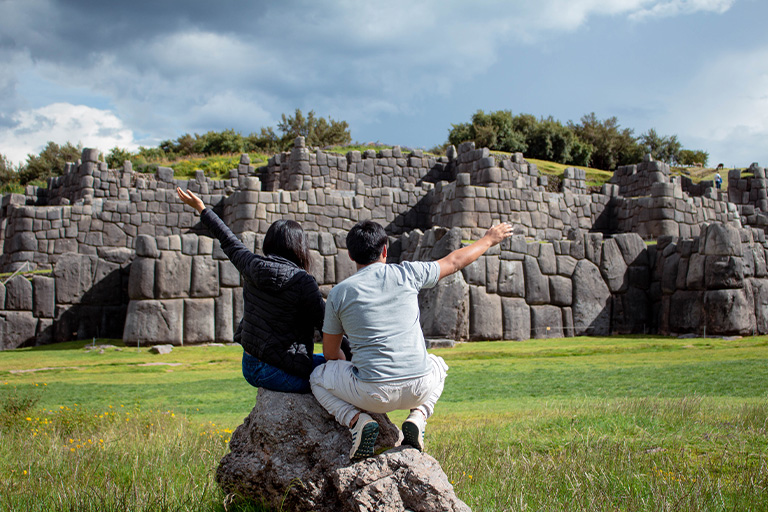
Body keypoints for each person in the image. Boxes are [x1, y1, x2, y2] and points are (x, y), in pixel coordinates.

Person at [310, 219, 514, 460]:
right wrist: (489, 239)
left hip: (373, 394)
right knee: (439, 364)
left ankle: (357, 421)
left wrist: (347, 367)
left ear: (351, 256)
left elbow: (331, 353)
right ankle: (419, 415)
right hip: (419, 388)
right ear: (385, 250)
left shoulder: (339, 294)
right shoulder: (409, 273)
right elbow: (454, 261)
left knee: (317, 378)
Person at [177, 187, 339, 393]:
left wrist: (201, 208)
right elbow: (328, 325)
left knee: (325, 363)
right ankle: (356, 420)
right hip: (280, 371)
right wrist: (358, 356)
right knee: (340, 378)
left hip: (250, 367)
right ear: (300, 248)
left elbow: (227, 240)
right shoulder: (302, 281)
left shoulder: (252, 265)